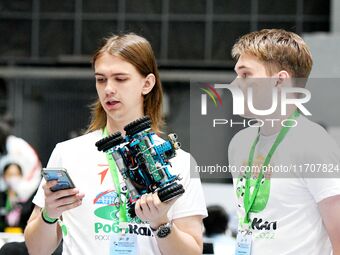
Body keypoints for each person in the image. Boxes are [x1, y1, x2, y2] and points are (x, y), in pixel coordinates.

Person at [24, 33, 207, 255]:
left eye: (120, 79)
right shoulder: (69, 153)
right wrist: (49, 214)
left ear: (147, 83)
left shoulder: (179, 162)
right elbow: (37, 250)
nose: (108, 89)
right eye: (101, 79)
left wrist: (161, 223)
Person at [228, 29, 340, 254]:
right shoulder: (239, 144)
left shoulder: (313, 144)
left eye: (245, 74)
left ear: (279, 81)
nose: (233, 85)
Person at [0, 119, 42, 201]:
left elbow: (34, 165)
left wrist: (19, 188)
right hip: (20, 186)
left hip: (27, 185)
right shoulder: (9, 145)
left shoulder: (14, 145)